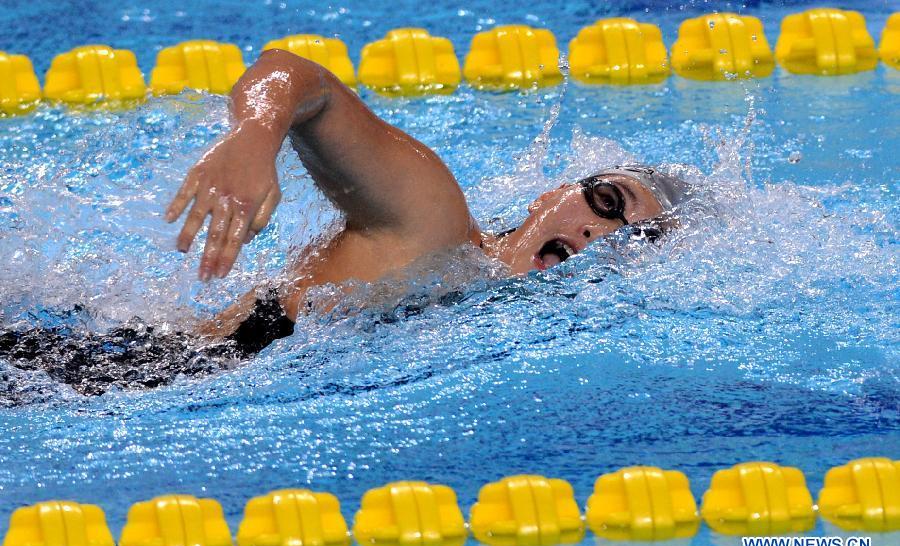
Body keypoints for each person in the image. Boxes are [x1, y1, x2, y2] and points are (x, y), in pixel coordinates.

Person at [169, 49, 691, 354]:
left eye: (635, 237)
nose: (599, 234)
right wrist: (256, 134)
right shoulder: (434, 226)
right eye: (606, 201)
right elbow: (291, 74)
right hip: (141, 376)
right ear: (550, 195)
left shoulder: (500, 327)